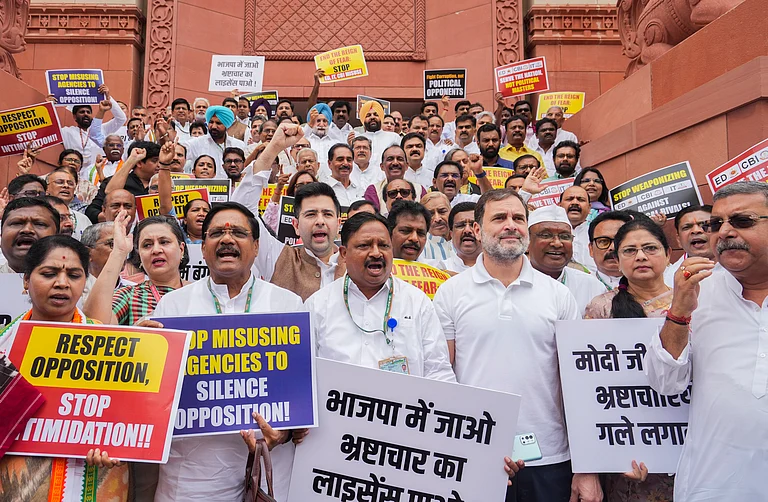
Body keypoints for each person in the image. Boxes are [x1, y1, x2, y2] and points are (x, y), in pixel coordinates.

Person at [433, 189, 601, 502]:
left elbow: (577, 384)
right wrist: (466, 444)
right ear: (479, 230)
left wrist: (587, 465)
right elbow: (443, 374)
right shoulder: (450, 293)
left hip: (551, 457)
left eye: (518, 218)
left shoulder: (558, 295)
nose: (511, 225)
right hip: (476, 454)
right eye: (499, 218)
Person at [151, 202, 304, 502]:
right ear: (203, 248)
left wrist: (285, 433)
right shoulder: (173, 307)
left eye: (238, 233)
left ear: (257, 246)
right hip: (193, 473)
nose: (227, 239)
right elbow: (155, 394)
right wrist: (144, 352)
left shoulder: (288, 305)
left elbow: (300, 391)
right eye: (217, 233)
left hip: (268, 466)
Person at [646, 181, 768, 501]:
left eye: (742, 221)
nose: (724, 232)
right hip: (714, 485)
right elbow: (665, 383)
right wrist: (680, 311)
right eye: (717, 224)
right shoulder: (697, 290)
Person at [0, 235, 128, 501]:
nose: (61, 283)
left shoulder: (112, 344)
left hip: (94, 476)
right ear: (25, 280)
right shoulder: (4, 344)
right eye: (49, 273)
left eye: (73, 275)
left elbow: (130, 419)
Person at [581, 218, 674, 501]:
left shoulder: (693, 302)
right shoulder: (602, 307)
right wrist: (609, 454)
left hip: (689, 448)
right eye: (630, 251)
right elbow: (587, 384)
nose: (641, 256)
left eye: (650, 248)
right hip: (625, 452)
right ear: (618, 260)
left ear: (669, 255)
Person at [307, 210, 455, 380]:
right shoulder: (317, 305)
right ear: (344, 254)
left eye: (384, 245)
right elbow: (305, 374)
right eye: (364, 245)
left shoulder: (417, 302)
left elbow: (438, 371)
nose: (376, 253)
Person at [84, 212, 188, 325]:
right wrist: (119, 252)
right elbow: (94, 325)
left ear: (181, 249)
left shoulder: (202, 291)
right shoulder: (129, 295)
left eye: (164, 242)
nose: (156, 250)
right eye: (147, 245)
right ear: (139, 255)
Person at [528, 205, 605, 315]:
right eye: (546, 235)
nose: (557, 243)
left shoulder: (592, 286)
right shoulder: (510, 284)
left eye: (565, 236)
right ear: (527, 242)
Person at [85, 142, 158, 223]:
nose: (159, 165)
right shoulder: (112, 182)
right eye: (155, 161)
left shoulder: (168, 182)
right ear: (139, 163)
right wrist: (116, 216)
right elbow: (91, 212)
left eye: (160, 161)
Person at [182, 105, 247, 177]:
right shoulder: (196, 143)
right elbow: (179, 151)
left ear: (226, 125)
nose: (213, 126)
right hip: (205, 187)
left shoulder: (238, 144)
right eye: (211, 122)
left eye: (218, 123)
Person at [0, 197, 60, 273]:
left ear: (57, 236)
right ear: (1, 234)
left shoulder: (75, 282)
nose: (27, 230)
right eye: (17, 223)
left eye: (40, 224)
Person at [363, 145, 427, 213]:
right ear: (382, 166)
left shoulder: (419, 190)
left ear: (406, 166)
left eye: (400, 159)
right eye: (390, 159)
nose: (395, 163)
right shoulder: (374, 190)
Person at [662, 204, 713, 286]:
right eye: (687, 227)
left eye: (704, 225)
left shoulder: (738, 266)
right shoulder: (668, 280)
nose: (696, 230)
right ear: (678, 239)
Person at [588, 211, 634, 291]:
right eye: (603, 241)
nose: (612, 247)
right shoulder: (579, 286)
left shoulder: (654, 283)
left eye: (619, 241)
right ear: (591, 249)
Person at [353, 100, 401, 170]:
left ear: (381, 117)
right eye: (368, 115)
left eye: (376, 114)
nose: (372, 117)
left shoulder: (394, 137)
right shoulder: (358, 139)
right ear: (363, 120)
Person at [46, 167, 93, 237]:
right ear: (47, 188)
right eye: (60, 182)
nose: (66, 186)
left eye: (70, 183)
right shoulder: (38, 214)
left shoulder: (83, 219)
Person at [560, 185, 596, 272]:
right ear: (559, 205)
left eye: (581, 200)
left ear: (589, 208)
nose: (575, 202)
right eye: (569, 199)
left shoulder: (597, 232)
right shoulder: (547, 232)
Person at [444, 201, 481, 273]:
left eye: (473, 225)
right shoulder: (441, 270)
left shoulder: (500, 270)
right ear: (451, 234)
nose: (467, 230)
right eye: (460, 225)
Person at [420, 192, 456, 261]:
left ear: (451, 212)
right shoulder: (421, 245)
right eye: (431, 214)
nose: (437, 219)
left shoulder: (463, 240)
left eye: (442, 211)